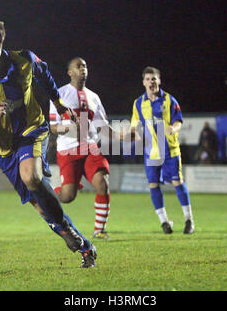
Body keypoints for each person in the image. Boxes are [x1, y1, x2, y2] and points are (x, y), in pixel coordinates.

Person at [0, 16, 97, 267]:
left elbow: (45, 76)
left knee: (31, 176)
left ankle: (73, 237)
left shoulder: (25, 59)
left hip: (32, 129)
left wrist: (59, 104)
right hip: (2, 147)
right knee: (40, 206)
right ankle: (82, 244)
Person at [124, 66, 195, 234]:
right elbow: (135, 125)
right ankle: (164, 221)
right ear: (143, 82)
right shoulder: (139, 103)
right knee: (153, 185)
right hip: (151, 152)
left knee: (177, 182)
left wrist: (174, 129)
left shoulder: (170, 100)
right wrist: (131, 134)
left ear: (159, 81)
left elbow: (178, 121)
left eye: (154, 78)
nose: (151, 82)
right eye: (148, 79)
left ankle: (189, 219)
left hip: (170, 150)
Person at [49, 57, 111, 240]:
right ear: (70, 72)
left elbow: (103, 126)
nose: (83, 68)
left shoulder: (94, 97)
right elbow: (52, 126)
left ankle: (100, 231)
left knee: (102, 182)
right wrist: (67, 128)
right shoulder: (59, 95)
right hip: (68, 150)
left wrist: (122, 135)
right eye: (78, 66)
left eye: (85, 65)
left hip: (90, 147)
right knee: (67, 196)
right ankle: (47, 194)